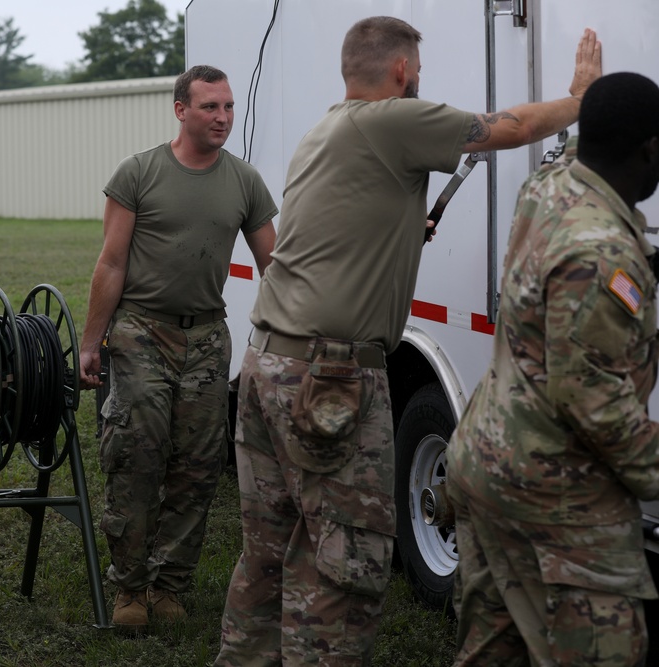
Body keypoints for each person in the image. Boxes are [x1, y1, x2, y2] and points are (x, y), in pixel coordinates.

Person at [215, 16, 602, 666]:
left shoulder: (327, 129)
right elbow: (510, 128)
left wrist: (396, 229)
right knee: (344, 565)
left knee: (270, 550)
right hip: (328, 377)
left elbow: (339, 225)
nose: (419, 79)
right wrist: (581, 95)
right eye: (416, 69)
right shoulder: (395, 120)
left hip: (267, 362)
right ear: (401, 70)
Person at [446, 72, 659, 667]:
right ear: (649, 149)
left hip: (488, 465)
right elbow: (594, 403)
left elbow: (550, 169)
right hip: (556, 495)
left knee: (495, 651)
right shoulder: (600, 251)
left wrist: (579, 98)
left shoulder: (551, 189)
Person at [78, 64, 278, 628]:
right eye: (210, 107)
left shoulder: (243, 180)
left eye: (229, 107)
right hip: (142, 329)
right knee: (136, 455)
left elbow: (275, 266)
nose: (223, 117)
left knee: (197, 466)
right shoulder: (138, 173)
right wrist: (92, 344)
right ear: (181, 109)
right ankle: (129, 588)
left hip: (208, 336)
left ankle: (169, 587)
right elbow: (111, 263)